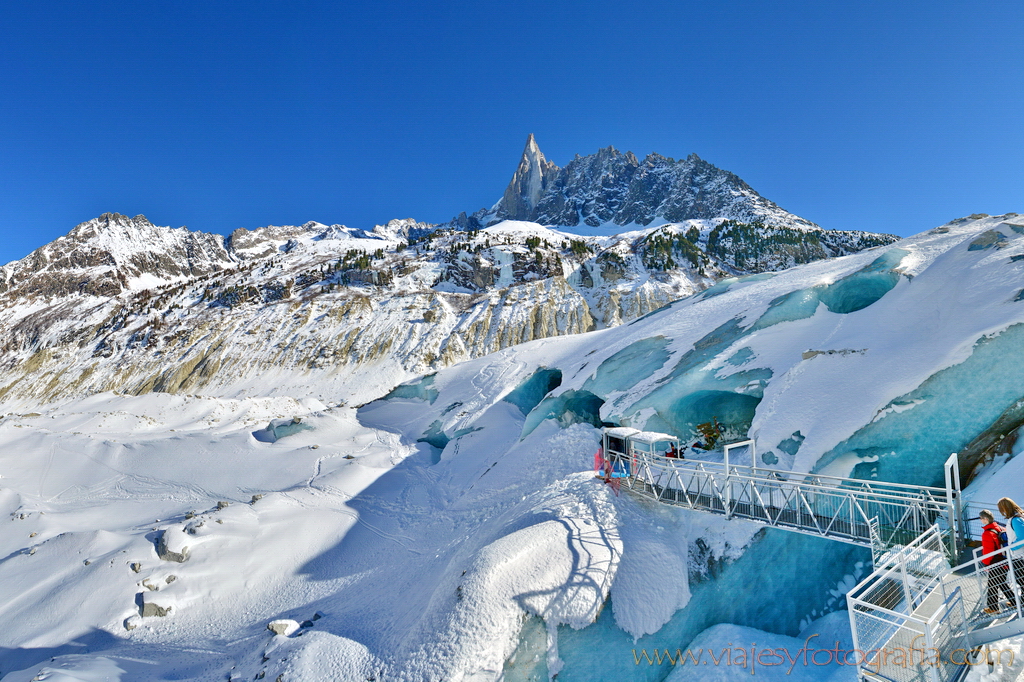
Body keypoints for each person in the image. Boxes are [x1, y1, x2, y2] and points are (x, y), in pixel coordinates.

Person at [980, 509, 1016, 614]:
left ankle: (993, 608)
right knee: (1000, 582)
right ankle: (1015, 602)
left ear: (986, 519)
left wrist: (985, 563)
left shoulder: (987, 533)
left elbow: (988, 551)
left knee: (992, 584)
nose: (981, 520)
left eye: (981, 518)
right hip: (1005, 561)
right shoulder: (1001, 528)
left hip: (996, 563)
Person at [998, 497, 1024, 601]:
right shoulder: (1019, 517)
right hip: (1019, 555)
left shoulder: (1015, 520)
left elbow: (1022, 537)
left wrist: (1011, 547)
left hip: (1019, 555)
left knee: (1020, 579)